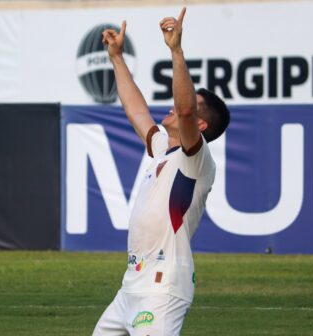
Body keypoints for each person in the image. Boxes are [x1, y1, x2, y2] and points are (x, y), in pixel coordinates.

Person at [94, 7, 230, 336]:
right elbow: (136, 110)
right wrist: (116, 58)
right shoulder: (162, 150)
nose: (175, 106)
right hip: (130, 287)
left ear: (200, 125)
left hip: (162, 288)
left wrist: (176, 51)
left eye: (191, 106)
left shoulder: (195, 158)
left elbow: (183, 108)